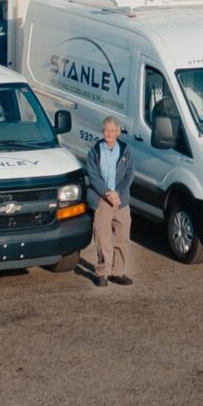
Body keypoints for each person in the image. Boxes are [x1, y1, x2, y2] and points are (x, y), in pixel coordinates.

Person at [85, 116, 135, 286]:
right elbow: (93, 176)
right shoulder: (94, 151)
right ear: (102, 131)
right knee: (102, 238)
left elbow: (129, 175)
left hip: (121, 201)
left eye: (113, 131)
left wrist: (118, 193)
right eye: (106, 130)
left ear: (118, 132)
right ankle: (103, 273)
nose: (109, 134)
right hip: (102, 199)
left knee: (122, 237)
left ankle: (118, 272)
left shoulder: (126, 150)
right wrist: (107, 193)